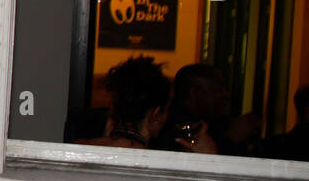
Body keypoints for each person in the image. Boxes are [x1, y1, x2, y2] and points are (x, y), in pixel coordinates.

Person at [80, 55, 215, 151]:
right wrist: (208, 160)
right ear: (156, 115)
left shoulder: (78, 149)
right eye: (167, 109)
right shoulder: (160, 166)